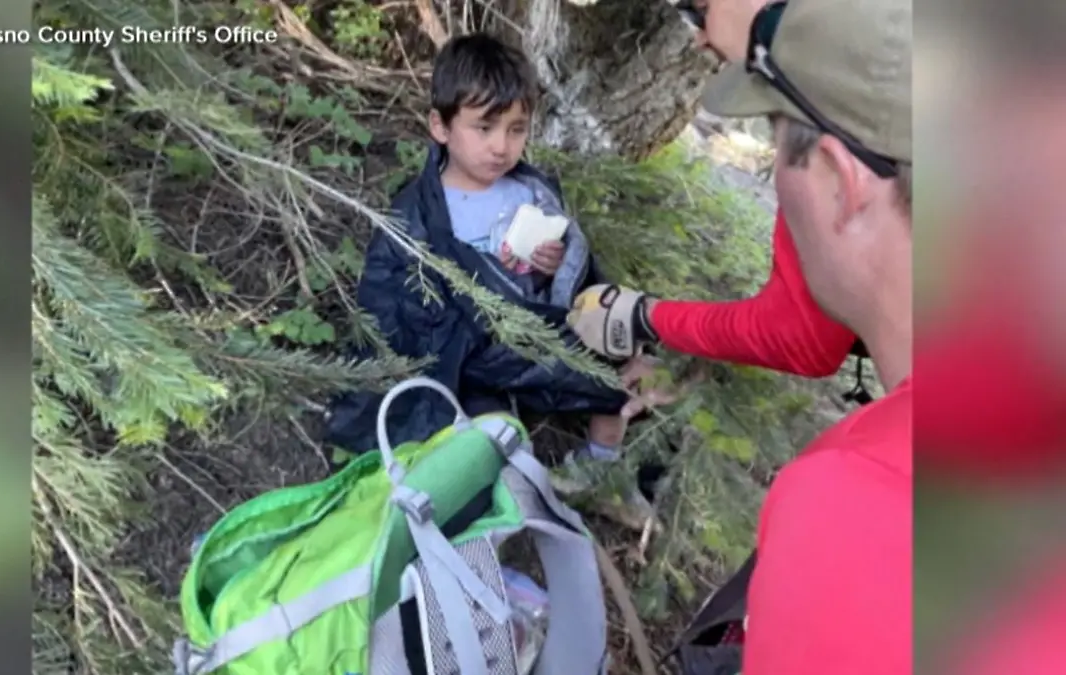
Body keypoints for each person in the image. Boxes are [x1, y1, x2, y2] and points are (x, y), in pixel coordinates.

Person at [570, 0, 912, 673]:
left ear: (843, 185)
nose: (696, 29)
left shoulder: (857, 506)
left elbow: (801, 334)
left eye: (778, 138)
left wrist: (645, 316)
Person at [325, 33, 640, 474]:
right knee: (491, 435)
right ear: (441, 127)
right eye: (484, 128)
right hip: (471, 349)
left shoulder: (527, 191)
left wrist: (550, 270)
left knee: (617, 366)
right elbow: (396, 302)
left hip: (534, 332)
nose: (501, 146)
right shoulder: (424, 212)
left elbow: (572, 276)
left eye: (516, 130)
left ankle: (601, 465)